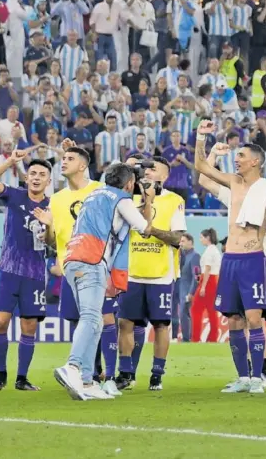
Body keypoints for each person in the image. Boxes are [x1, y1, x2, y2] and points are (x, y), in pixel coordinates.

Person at [195, 119, 266, 394]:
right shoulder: (234, 184)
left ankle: (259, 377)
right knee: (234, 320)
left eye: (242, 157)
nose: (237, 161)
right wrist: (202, 137)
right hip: (230, 260)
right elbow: (201, 168)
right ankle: (243, 377)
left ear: (256, 162)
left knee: (254, 318)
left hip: (252, 259)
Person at [53, 163, 154, 401]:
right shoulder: (121, 198)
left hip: (72, 259)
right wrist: (148, 199)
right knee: (90, 317)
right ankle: (74, 366)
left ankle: (87, 382)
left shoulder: (94, 194)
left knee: (96, 320)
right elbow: (144, 228)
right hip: (92, 260)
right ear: (130, 183)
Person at [116, 157, 186, 391]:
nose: (147, 172)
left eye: (153, 169)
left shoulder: (175, 201)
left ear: (164, 177)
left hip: (161, 274)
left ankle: (157, 375)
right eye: (144, 168)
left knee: (160, 325)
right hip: (132, 272)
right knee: (125, 323)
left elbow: (178, 239)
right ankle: (125, 373)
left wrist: (151, 230)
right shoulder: (127, 198)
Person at [0, 152, 52, 391]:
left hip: (35, 274)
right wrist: (10, 162)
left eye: (42, 174)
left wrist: (50, 228)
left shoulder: (52, 206)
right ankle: (1, 374)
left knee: (29, 327)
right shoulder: (14, 196)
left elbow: (54, 243)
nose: (36, 177)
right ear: (27, 177)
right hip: (8, 270)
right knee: (1, 322)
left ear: (48, 181)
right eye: (33, 173)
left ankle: (21, 378)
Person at [191, 228, 222, 343]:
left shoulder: (210, 251)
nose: (200, 240)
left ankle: (195, 338)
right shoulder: (214, 250)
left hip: (208, 281)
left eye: (201, 237)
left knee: (196, 309)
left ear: (207, 238)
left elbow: (208, 268)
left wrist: (203, 286)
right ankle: (212, 338)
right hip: (212, 280)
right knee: (211, 311)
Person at [173, 234, 200, 342]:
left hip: (186, 288)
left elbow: (197, 276)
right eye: (180, 241)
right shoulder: (179, 254)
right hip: (176, 286)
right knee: (175, 312)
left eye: (183, 241)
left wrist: (191, 292)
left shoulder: (195, 256)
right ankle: (175, 337)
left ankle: (186, 338)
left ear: (190, 242)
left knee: (184, 313)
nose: (181, 244)